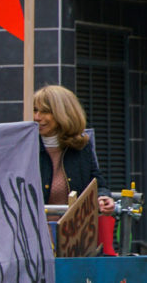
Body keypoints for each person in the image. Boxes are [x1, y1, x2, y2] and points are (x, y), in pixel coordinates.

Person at [33, 83, 114, 214]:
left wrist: (103, 197)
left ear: (63, 113)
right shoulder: (27, 148)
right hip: (37, 233)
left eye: (45, 111)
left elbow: (97, 183)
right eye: (35, 110)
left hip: (73, 232)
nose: (37, 117)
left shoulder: (82, 146)